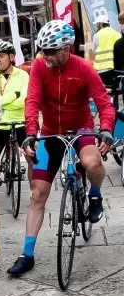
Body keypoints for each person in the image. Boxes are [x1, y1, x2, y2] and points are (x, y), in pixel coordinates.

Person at [8, 20, 116, 277]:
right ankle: (27, 254)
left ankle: (95, 194)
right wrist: (30, 134)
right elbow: (32, 101)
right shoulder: (39, 67)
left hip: (81, 129)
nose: (44, 56)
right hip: (50, 133)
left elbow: (104, 103)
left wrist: (107, 129)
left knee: (91, 163)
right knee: (37, 194)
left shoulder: (83, 68)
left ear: (66, 49)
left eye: (50, 51)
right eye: (42, 50)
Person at [0, 39, 28, 174]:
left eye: (2, 56)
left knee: (32, 158)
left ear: (11, 57)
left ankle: (33, 192)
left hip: (21, 122)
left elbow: (24, 99)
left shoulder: (23, 75)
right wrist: (13, 96)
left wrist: (1, 101)